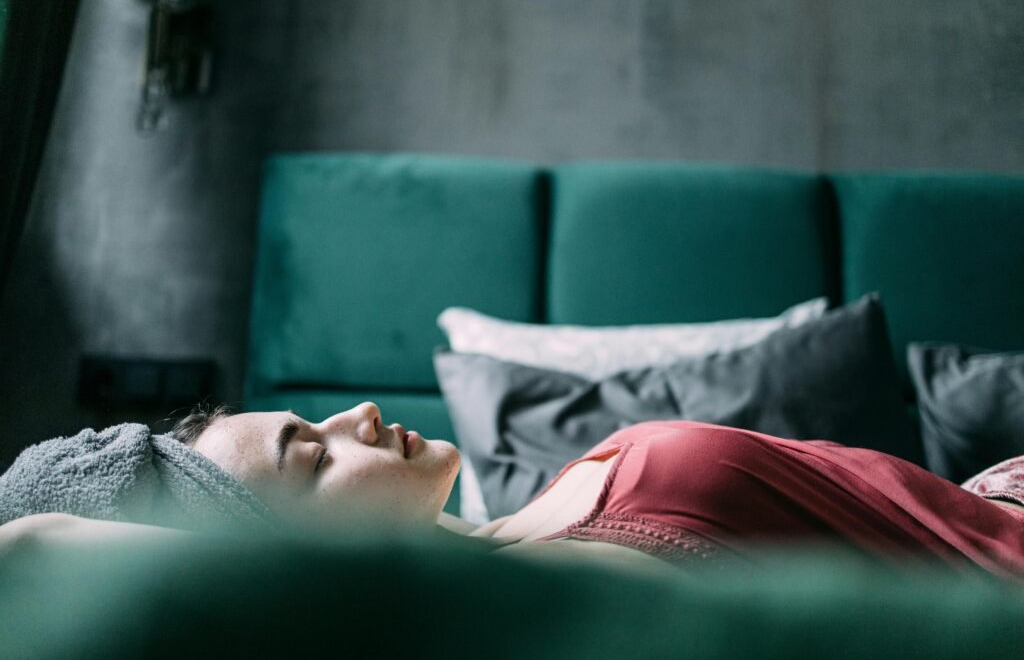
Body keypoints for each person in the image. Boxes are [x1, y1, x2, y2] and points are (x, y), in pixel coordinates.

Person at [3, 402, 1024, 577]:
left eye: (305, 419)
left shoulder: (520, 522)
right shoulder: (554, 599)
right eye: (311, 458)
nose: (358, 415)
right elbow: (28, 554)